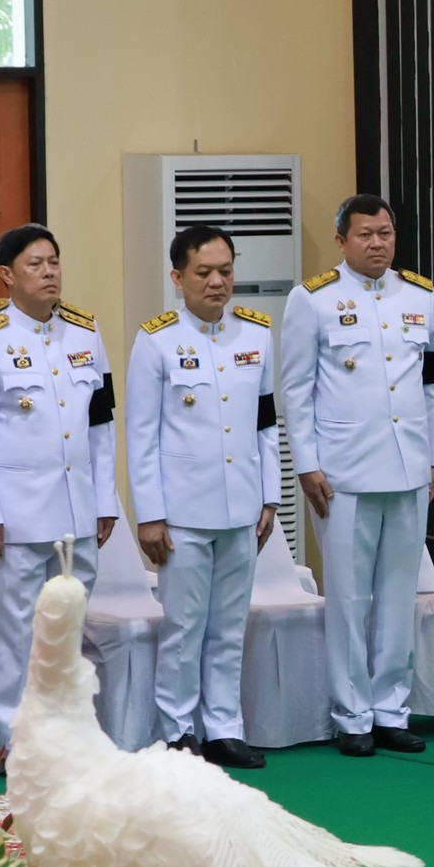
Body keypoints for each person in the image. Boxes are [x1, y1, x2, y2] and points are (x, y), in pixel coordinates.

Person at [280, 193, 434, 758]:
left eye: (386, 233)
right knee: (349, 599)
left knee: (399, 595)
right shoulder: (314, 299)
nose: (377, 243)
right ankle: (352, 716)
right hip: (343, 473)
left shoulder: (419, 295)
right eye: (366, 234)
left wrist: (433, 458)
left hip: (407, 467)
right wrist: (306, 463)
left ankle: (391, 708)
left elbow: (431, 385)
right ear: (342, 241)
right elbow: (295, 389)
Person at [0, 224, 117, 755]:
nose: (49, 272)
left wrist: (106, 500)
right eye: (35, 264)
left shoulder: (85, 332)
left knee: (70, 634)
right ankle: (13, 743)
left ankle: (65, 740)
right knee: (17, 636)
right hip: (17, 515)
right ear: (7, 275)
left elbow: (100, 424)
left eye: (54, 261)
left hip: (77, 510)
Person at [126, 224, 280, 769]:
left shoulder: (256, 334)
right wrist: (150, 516)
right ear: (177, 278)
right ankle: (177, 729)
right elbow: (141, 435)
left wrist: (270, 498)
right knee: (184, 626)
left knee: (229, 625)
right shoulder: (157, 339)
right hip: (183, 511)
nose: (217, 283)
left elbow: (265, 422)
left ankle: (224, 727)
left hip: (241, 508)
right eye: (204, 273)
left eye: (226, 271)